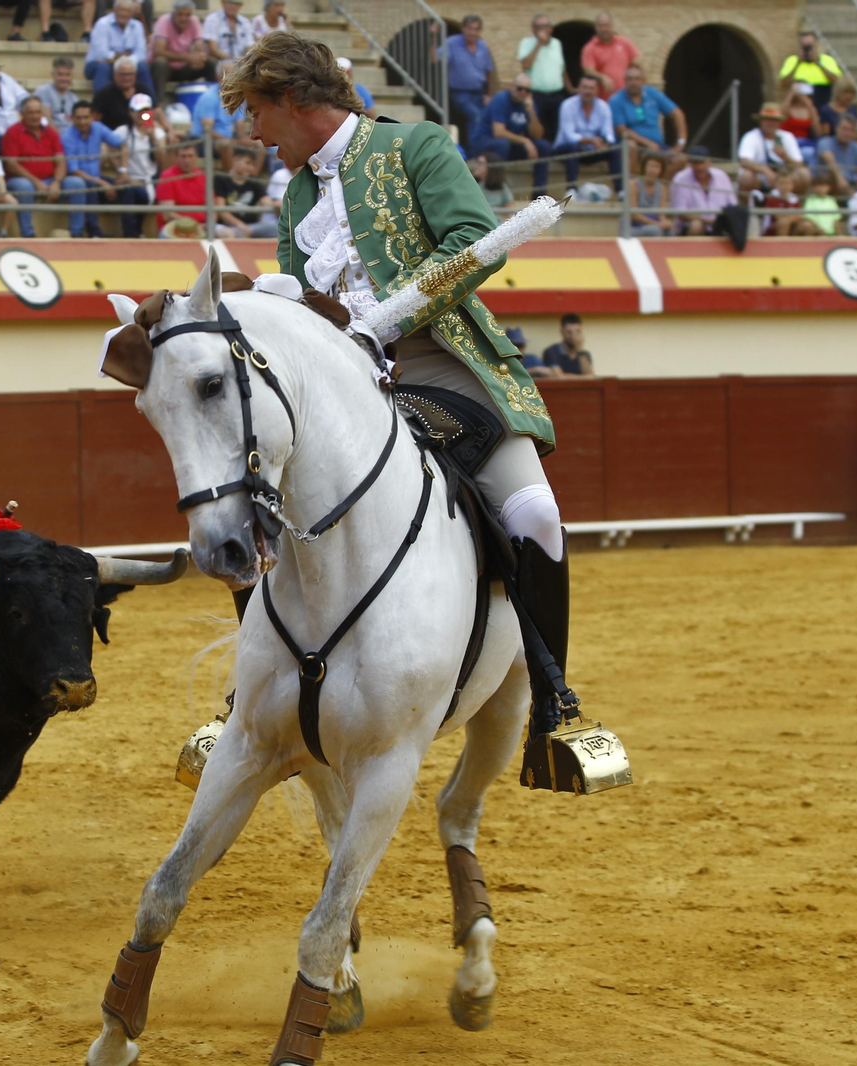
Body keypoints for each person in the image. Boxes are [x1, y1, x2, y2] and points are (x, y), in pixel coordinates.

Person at [225, 31, 579, 741]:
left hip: (434, 359)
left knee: (536, 513)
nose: (253, 133)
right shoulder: (296, 196)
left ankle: (554, 701)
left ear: (294, 101)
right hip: (338, 378)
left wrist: (382, 318)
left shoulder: (414, 146)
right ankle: (246, 700)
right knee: (251, 511)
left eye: (258, 112)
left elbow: (473, 240)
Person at [2, 94, 80, 238]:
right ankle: (28, 233)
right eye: (30, 112)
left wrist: (56, 183)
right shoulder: (13, 132)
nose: (35, 116)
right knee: (24, 187)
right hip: (21, 180)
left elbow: (61, 161)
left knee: (77, 183)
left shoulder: (51, 132)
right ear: (22, 114)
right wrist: (36, 182)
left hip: (51, 179)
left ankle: (77, 232)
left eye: (38, 112)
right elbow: (12, 165)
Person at [477, 73, 549, 196]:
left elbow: (537, 135)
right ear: (512, 87)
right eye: (519, 88)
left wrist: (531, 112)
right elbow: (498, 132)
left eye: (527, 90)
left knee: (543, 146)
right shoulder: (501, 99)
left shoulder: (527, 104)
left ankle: (539, 195)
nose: (523, 93)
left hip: (510, 145)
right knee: (503, 144)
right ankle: (497, 190)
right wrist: (525, 141)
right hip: (486, 143)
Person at [608, 64, 685, 174]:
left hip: (659, 147)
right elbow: (621, 130)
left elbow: (677, 113)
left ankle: (659, 188)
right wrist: (648, 143)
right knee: (630, 145)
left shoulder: (652, 93)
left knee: (681, 159)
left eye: (636, 79)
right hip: (634, 148)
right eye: (629, 79)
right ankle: (632, 187)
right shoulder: (616, 100)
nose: (633, 82)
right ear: (624, 81)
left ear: (643, 81)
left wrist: (681, 142)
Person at [60, 99, 121, 237]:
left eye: (86, 117)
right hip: (79, 179)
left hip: (97, 177)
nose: (82, 122)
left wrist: (123, 171)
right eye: (79, 118)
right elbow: (74, 170)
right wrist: (103, 183)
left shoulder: (98, 127)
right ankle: (94, 233)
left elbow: (122, 144)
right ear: (72, 118)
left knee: (127, 188)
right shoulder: (67, 136)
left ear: (92, 117)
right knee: (91, 186)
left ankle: (131, 233)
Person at [553, 74, 619, 189]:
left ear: (597, 91)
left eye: (591, 88)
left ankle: (620, 191)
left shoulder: (604, 106)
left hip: (591, 150)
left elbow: (608, 132)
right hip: (566, 149)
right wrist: (591, 141)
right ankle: (571, 190)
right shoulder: (567, 105)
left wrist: (606, 143)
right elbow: (569, 136)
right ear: (579, 88)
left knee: (616, 149)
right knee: (572, 148)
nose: (588, 91)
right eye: (585, 87)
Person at [110, 90, 162, 237]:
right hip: (129, 179)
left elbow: (160, 160)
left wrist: (153, 137)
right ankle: (132, 234)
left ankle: (135, 232)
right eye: (138, 111)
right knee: (129, 190)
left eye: (145, 110)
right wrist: (120, 169)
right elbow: (108, 149)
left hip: (149, 180)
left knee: (133, 191)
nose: (141, 114)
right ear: (130, 112)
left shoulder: (157, 132)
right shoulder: (123, 131)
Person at [445, 14, 494, 157]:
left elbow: (489, 71)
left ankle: (483, 152)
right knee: (476, 116)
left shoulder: (482, 46)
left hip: (479, 92)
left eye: (476, 29)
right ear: (463, 28)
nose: (473, 32)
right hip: (460, 93)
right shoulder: (452, 43)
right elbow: (435, 58)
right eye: (470, 28)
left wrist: (489, 95)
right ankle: (474, 154)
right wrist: (433, 37)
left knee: (486, 119)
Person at [518, 12, 571, 144]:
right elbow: (525, 65)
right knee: (536, 130)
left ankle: (557, 158)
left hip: (556, 94)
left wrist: (570, 87)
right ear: (533, 29)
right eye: (538, 26)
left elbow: (562, 68)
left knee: (557, 128)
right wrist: (538, 45)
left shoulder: (557, 44)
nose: (541, 29)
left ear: (551, 29)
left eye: (544, 26)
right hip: (536, 95)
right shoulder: (526, 43)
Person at [150, 0, 213, 102]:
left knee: (211, 63)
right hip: (166, 69)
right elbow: (158, 51)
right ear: (174, 14)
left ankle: (215, 102)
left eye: (187, 15)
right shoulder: (164, 21)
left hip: (184, 68)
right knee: (160, 62)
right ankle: (158, 103)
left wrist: (201, 57)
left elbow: (199, 46)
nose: (184, 18)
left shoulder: (194, 21)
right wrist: (188, 57)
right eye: (180, 14)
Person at [737, 103, 804, 193]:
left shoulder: (787, 136)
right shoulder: (751, 136)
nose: (770, 123)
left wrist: (785, 156)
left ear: (779, 122)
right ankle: (748, 205)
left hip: (785, 180)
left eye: (774, 120)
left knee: (804, 174)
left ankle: (795, 204)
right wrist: (765, 170)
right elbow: (744, 161)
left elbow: (799, 164)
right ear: (761, 121)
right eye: (767, 120)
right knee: (747, 176)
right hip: (760, 178)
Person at [670, 145, 736, 236]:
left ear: (710, 161)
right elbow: (680, 213)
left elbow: (733, 205)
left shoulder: (722, 176)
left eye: (702, 163)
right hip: (690, 226)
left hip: (720, 225)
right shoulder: (680, 179)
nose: (699, 167)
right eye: (696, 163)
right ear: (690, 163)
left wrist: (720, 221)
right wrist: (706, 221)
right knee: (696, 225)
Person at [85, 0, 149, 92]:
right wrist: (126, 56)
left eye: (127, 11)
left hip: (123, 64)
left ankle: (150, 103)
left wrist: (123, 62)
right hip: (97, 65)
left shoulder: (137, 26)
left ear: (132, 13)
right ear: (114, 10)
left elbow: (141, 54)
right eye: (121, 10)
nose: (124, 14)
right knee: (103, 68)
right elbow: (102, 53)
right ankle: (100, 104)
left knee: (142, 68)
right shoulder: (102, 24)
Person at [213, 142, 272, 237]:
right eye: (247, 163)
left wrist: (278, 205)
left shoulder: (254, 181)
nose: (250, 168)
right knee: (236, 233)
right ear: (236, 160)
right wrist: (239, 224)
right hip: (230, 227)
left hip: (253, 226)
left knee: (278, 229)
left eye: (253, 165)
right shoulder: (221, 179)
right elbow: (221, 211)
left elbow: (266, 201)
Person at [154, 138, 210, 235]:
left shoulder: (203, 176)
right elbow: (167, 215)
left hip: (203, 226)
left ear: (196, 157)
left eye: (190, 156)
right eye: (183, 156)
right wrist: (193, 225)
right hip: (175, 226)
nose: (187, 160)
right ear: (176, 158)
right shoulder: (167, 177)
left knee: (227, 233)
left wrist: (209, 223)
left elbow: (213, 207)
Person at [579, 10, 637, 101]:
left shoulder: (625, 43)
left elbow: (637, 64)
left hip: (626, 99)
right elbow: (588, 71)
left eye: (606, 25)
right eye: (601, 26)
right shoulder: (589, 48)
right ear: (596, 28)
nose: (604, 29)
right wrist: (602, 77)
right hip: (603, 101)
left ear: (612, 26)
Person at [778, 32, 843, 109]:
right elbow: (784, 83)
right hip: (798, 106)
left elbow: (838, 82)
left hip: (822, 101)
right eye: (804, 47)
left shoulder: (827, 60)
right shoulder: (792, 61)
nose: (807, 50)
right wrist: (798, 63)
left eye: (810, 47)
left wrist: (818, 63)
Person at [94, 54, 150, 131]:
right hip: (112, 136)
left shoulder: (143, 91)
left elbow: (150, 116)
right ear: (115, 74)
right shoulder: (104, 93)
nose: (127, 78)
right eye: (123, 74)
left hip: (139, 134)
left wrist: (169, 129)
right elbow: (95, 121)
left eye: (130, 74)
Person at [756, 166, 817, 236]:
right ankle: (781, 245)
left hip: (792, 225)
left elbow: (800, 215)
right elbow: (778, 215)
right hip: (773, 228)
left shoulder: (794, 198)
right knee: (783, 222)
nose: (784, 186)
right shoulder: (772, 197)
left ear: (793, 185)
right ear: (776, 184)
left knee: (807, 225)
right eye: (782, 183)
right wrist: (792, 217)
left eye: (788, 183)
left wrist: (791, 218)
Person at [817, 114, 857, 194]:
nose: (848, 133)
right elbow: (828, 158)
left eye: (852, 130)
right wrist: (841, 179)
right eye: (845, 129)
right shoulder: (825, 142)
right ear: (836, 128)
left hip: (853, 185)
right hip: (832, 185)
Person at [627, 152, 668, 236]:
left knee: (670, 230)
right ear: (644, 167)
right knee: (655, 230)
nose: (653, 170)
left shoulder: (662, 187)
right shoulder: (633, 184)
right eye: (650, 166)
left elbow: (662, 214)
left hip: (654, 222)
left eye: (657, 167)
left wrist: (664, 222)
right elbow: (633, 215)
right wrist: (655, 223)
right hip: (634, 226)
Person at [34, 56, 78, 129]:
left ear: (72, 76)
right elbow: (47, 120)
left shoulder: (74, 98)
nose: (64, 78)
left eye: (67, 75)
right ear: (53, 74)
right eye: (60, 74)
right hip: (49, 136)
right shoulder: (43, 91)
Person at [802, 169, 841, 235]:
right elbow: (809, 218)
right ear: (813, 187)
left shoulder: (831, 200)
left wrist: (839, 235)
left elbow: (836, 219)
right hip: (816, 234)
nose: (819, 189)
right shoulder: (810, 200)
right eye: (817, 186)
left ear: (829, 187)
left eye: (822, 186)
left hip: (831, 234)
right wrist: (818, 229)